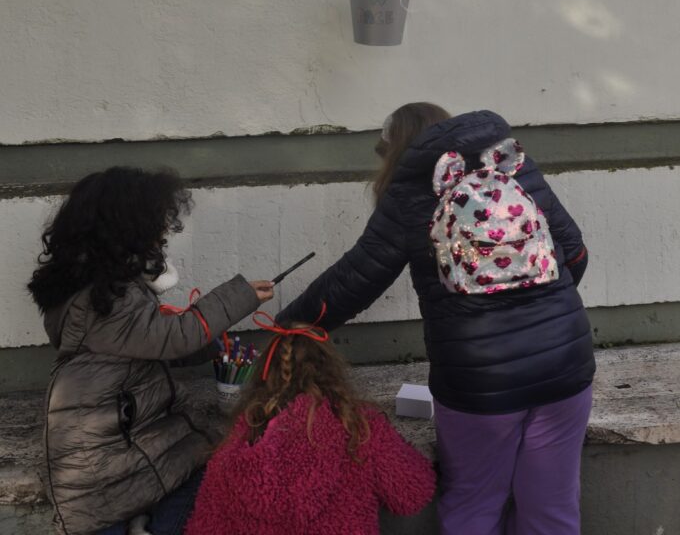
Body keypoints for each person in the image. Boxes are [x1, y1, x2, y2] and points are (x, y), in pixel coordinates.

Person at [279, 104, 595, 535]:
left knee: (474, 503)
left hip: (477, 380)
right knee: (552, 506)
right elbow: (573, 251)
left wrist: (289, 325)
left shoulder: (411, 193)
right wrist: (544, 315)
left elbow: (353, 281)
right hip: (567, 363)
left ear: (395, 152)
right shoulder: (511, 165)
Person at [27, 166, 274, 535]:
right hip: (100, 471)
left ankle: (143, 518)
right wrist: (240, 297)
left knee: (202, 460)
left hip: (121, 445)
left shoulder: (96, 292)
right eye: (156, 225)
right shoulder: (105, 302)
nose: (162, 235)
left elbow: (149, 343)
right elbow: (174, 336)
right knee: (203, 471)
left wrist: (208, 347)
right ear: (126, 231)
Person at [184, 309, 436, 535]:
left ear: (263, 375)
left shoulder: (233, 448)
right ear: (331, 369)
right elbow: (414, 492)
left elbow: (203, 526)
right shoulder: (359, 429)